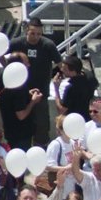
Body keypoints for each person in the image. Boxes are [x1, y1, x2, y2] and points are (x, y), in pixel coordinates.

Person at [6, 17, 62, 146]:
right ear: (26, 31)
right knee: (20, 121)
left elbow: (60, 64)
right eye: (32, 33)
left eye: (39, 34)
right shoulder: (17, 43)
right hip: (21, 91)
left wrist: (60, 76)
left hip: (41, 93)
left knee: (42, 124)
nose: (35, 37)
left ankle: (41, 147)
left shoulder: (48, 45)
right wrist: (7, 67)